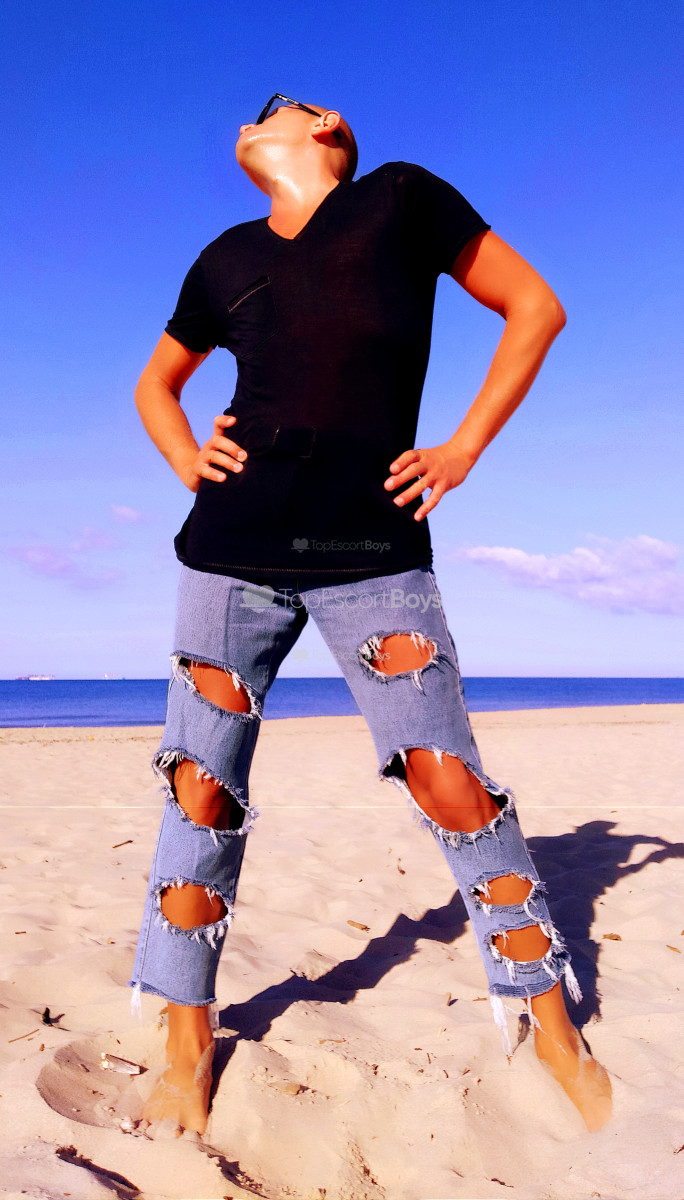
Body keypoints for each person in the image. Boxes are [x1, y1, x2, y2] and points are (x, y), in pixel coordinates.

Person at [128, 95, 612, 1139]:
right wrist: (186, 459)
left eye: (271, 109)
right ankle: (185, 1039)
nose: (247, 121)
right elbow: (156, 385)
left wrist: (462, 448)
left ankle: (549, 1022)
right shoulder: (222, 258)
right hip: (231, 553)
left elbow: (536, 307)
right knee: (199, 793)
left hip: (375, 555)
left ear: (326, 125)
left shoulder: (400, 199)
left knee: (452, 784)